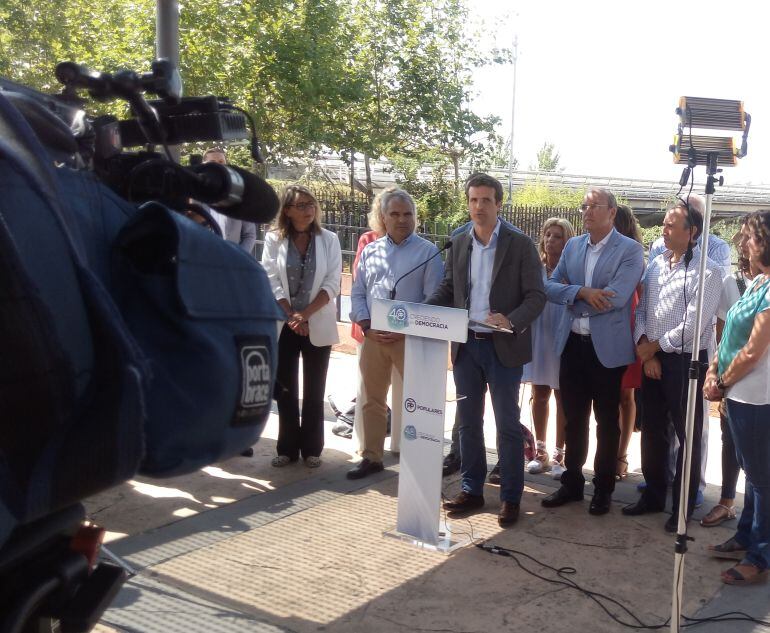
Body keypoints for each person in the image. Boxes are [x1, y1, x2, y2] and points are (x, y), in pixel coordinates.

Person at [428, 173, 545, 528]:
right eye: (473, 200)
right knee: (468, 424)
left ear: (498, 204)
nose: (479, 207)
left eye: (486, 201)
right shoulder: (459, 241)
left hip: (503, 348)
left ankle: (510, 497)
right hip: (466, 347)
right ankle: (472, 489)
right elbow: (449, 287)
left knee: (507, 427)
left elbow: (537, 296)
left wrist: (509, 320)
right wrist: (422, 311)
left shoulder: (519, 244)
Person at [541, 187, 644, 516]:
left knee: (606, 422)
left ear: (612, 212)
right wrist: (582, 292)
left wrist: (575, 301)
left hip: (606, 351)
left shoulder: (630, 251)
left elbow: (616, 297)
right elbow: (550, 287)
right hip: (571, 344)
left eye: (594, 206)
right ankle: (572, 483)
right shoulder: (572, 246)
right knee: (574, 420)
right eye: (584, 206)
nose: (586, 211)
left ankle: (603, 488)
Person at [621, 199, 722, 532]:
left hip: (685, 362)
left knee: (686, 435)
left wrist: (656, 349)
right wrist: (645, 350)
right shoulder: (656, 265)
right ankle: (652, 494)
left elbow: (694, 325)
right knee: (652, 431)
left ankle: (680, 508)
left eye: (669, 225)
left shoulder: (708, 271)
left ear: (691, 232)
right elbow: (641, 311)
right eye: (663, 224)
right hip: (652, 356)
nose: (662, 230)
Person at [348, 189, 443, 479]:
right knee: (372, 399)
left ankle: (419, 461)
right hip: (374, 337)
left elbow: (433, 298)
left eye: (408, 214)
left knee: (417, 400)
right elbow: (358, 293)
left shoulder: (428, 252)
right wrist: (366, 325)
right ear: (384, 218)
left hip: (409, 339)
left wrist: (406, 330)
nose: (402, 219)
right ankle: (371, 457)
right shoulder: (371, 250)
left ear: (415, 217)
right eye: (395, 214)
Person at [705, 209, 770, 586]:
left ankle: (760, 555)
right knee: (754, 473)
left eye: (751, 237)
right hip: (738, 393)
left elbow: (752, 351)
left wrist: (721, 382)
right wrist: (714, 369)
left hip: (756, 396)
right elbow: (730, 335)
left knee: (763, 480)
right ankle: (746, 536)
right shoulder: (758, 282)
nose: (744, 244)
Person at [261, 185, 342, 468]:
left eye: (311, 204)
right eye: (302, 205)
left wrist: (305, 314)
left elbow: (333, 282)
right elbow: (270, 279)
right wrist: (292, 316)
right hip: (285, 325)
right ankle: (286, 448)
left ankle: (312, 449)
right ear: (287, 210)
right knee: (286, 388)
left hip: (316, 322)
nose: (309, 210)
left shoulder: (329, 239)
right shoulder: (274, 239)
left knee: (314, 388)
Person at [701, 216, 755, 527]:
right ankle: (726, 501)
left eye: (751, 240)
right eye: (743, 241)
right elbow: (722, 334)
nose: (745, 247)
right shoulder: (731, 284)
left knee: (758, 456)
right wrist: (717, 376)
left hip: (760, 382)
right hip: (733, 379)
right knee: (730, 441)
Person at [522, 217, 574, 477]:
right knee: (539, 392)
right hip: (538, 333)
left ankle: (559, 456)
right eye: (548, 235)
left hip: (562, 334)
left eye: (558, 236)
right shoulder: (535, 267)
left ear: (567, 241)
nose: (551, 240)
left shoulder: (571, 271)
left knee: (562, 395)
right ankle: (539, 452)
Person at [613, 204, 643, 480]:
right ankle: (609, 453)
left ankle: (621, 456)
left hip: (630, 327)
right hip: (605, 330)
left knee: (626, 395)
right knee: (607, 397)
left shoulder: (634, 252)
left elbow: (642, 296)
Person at [201, 147, 257, 253]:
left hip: (232, 262)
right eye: (212, 162)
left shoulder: (239, 196)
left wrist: (238, 258)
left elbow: (249, 234)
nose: (218, 165)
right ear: (203, 165)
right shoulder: (194, 196)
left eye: (221, 162)